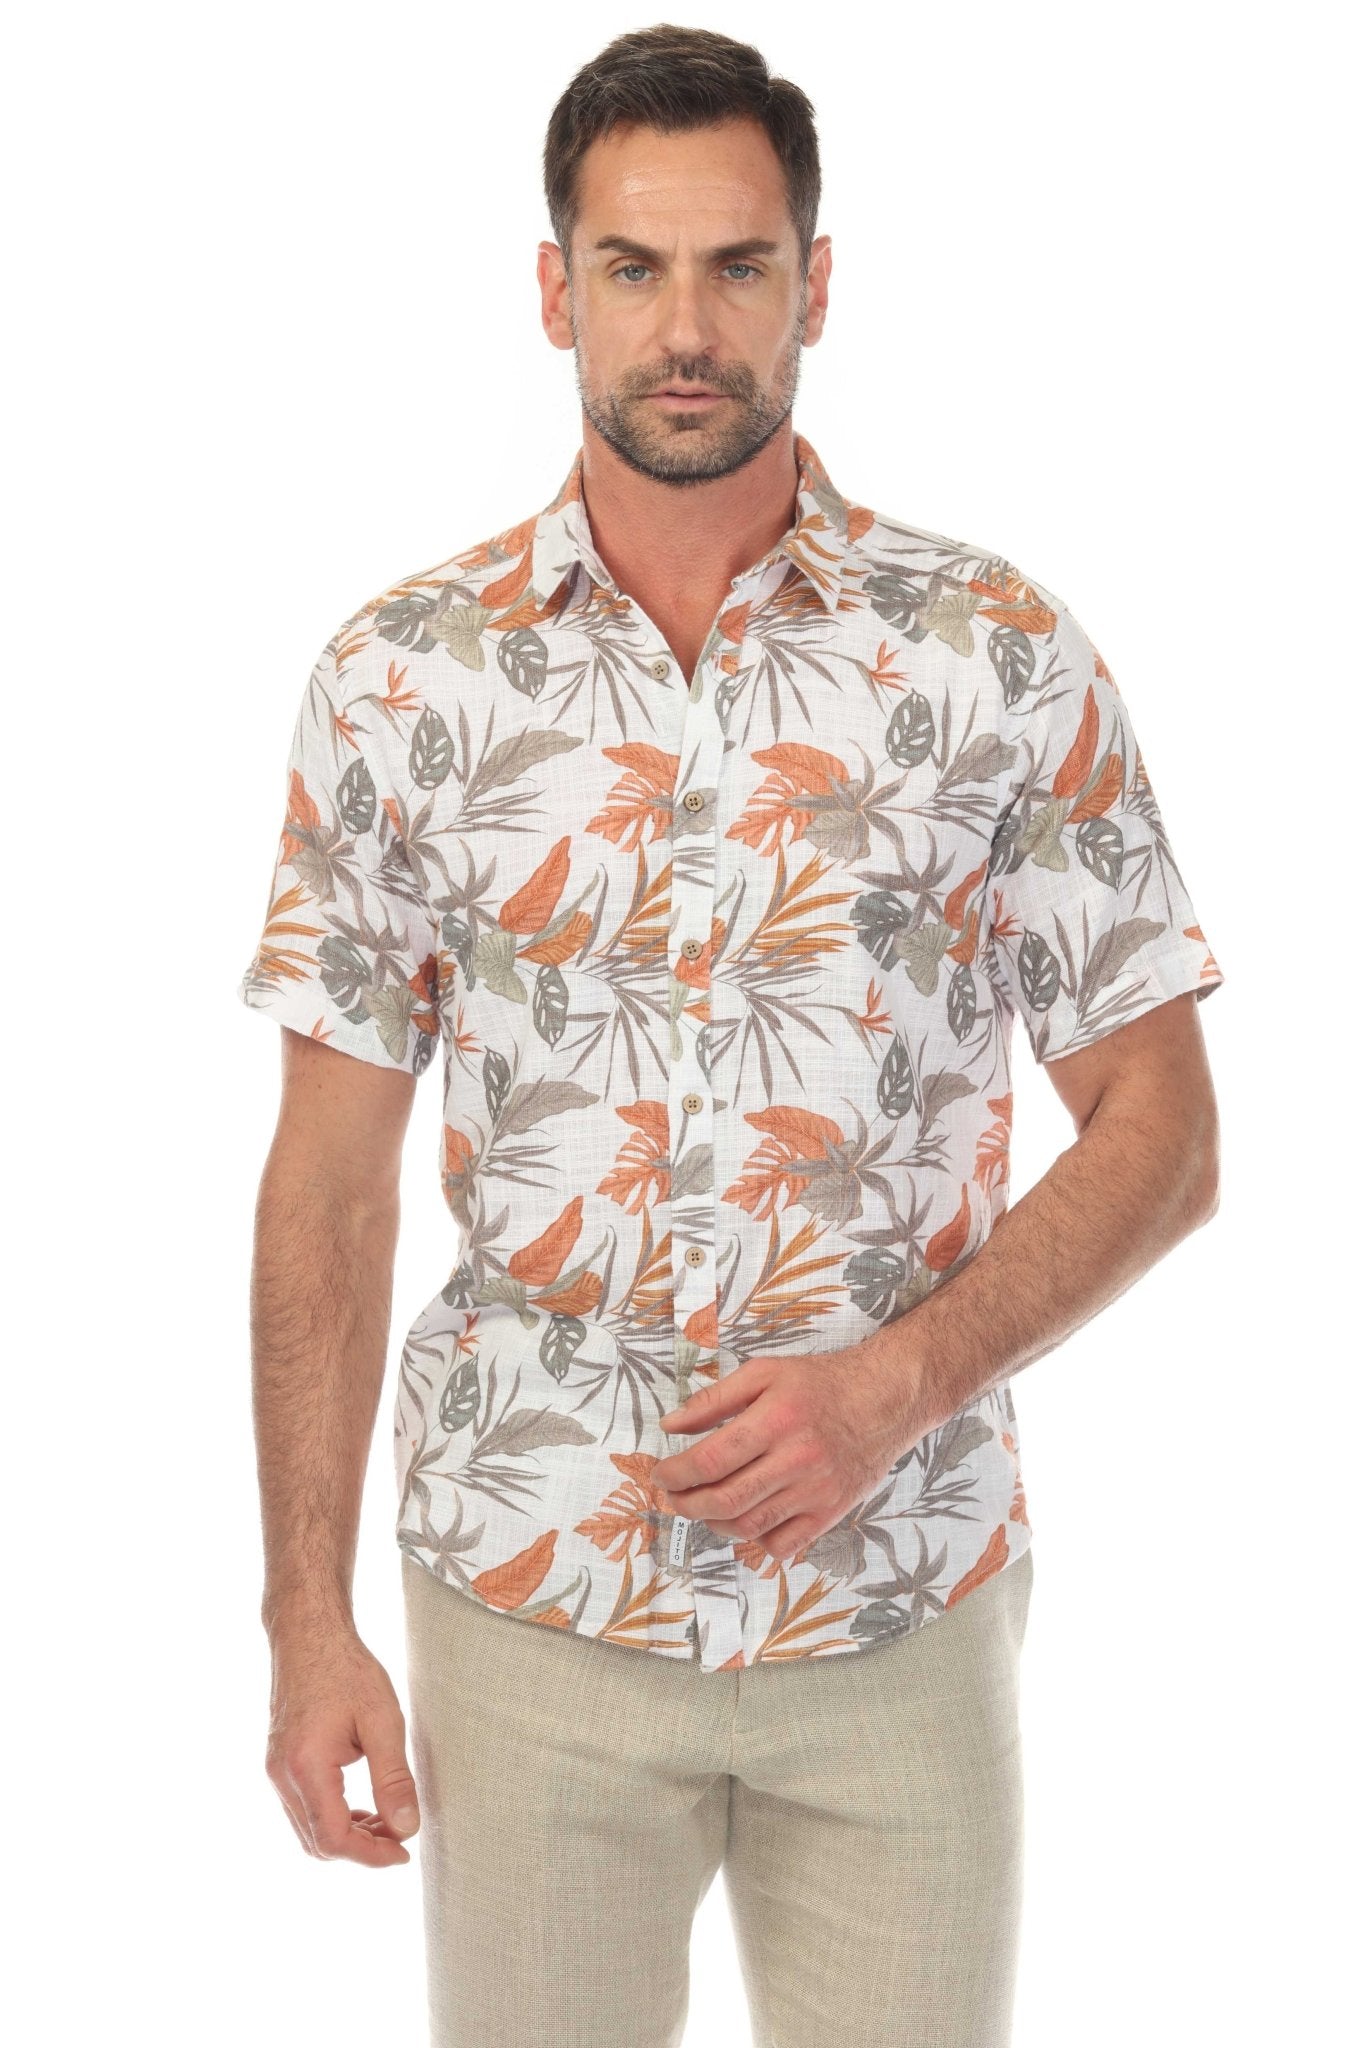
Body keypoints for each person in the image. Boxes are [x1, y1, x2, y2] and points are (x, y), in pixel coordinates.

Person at [237, 23, 1226, 2048]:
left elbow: (1162, 1126)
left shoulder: (992, 659)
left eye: (736, 266)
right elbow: (325, 1188)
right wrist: (304, 1619)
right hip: (525, 1598)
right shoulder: (400, 683)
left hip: (898, 1605)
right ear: (554, 291)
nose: (684, 327)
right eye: (632, 266)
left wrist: (893, 1387)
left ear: (814, 284)